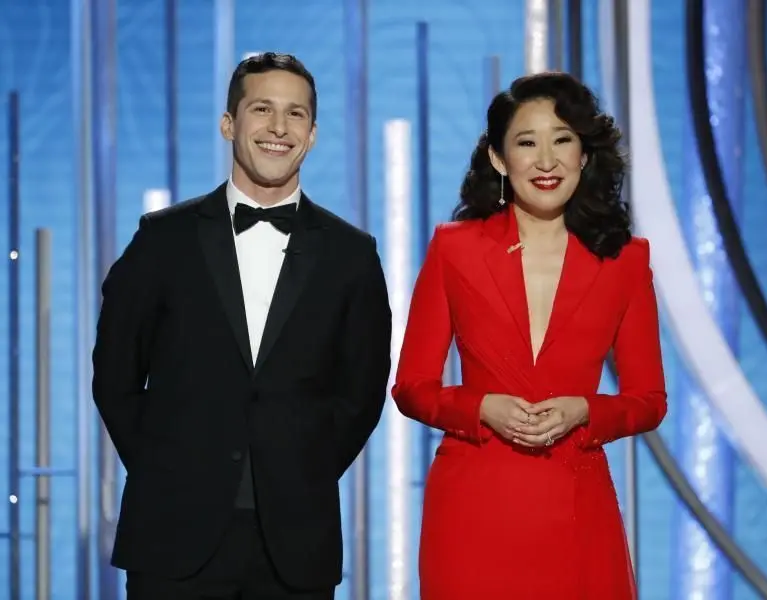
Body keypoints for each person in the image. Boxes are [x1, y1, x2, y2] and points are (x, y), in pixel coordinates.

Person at [93, 52, 392, 600]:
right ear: (229, 123)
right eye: (262, 109)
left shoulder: (352, 254)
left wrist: (303, 469)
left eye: (296, 114)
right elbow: (114, 374)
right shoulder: (162, 239)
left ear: (313, 133)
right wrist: (167, 467)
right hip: (172, 535)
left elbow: (362, 393)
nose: (279, 128)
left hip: (296, 541)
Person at [392, 72, 667, 599]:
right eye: (526, 142)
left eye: (562, 139)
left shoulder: (626, 260)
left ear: (584, 154)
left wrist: (586, 411)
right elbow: (412, 387)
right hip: (473, 506)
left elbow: (648, 400)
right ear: (499, 158)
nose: (546, 160)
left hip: (575, 505)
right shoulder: (455, 248)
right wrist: (480, 407)